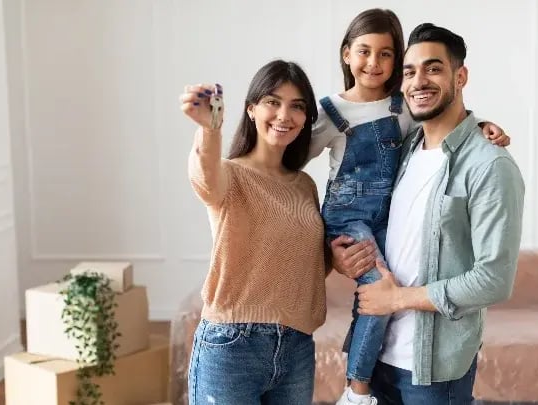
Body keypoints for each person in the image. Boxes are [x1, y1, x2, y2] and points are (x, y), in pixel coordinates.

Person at [305, 9, 511, 405]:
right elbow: (293, 157)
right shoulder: (404, 142)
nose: (417, 81)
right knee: (374, 284)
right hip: (383, 350)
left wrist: (483, 124)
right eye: (410, 71)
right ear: (347, 54)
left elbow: (494, 279)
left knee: (379, 288)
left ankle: (355, 388)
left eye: (432, 69)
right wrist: (330, 251)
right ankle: (357, 386)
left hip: (431, 366)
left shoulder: (479, 160)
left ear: (460, 76)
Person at [180, 60, 330, 405]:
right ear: (251, 109)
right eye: (272, 102)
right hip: (232, 345)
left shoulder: (304, 186)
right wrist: (209, 129)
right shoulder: (230, 175)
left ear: (306, 118)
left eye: (297, 106)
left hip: (296, 348)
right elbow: (204, 177)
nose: (284, 115)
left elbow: (307, 265)